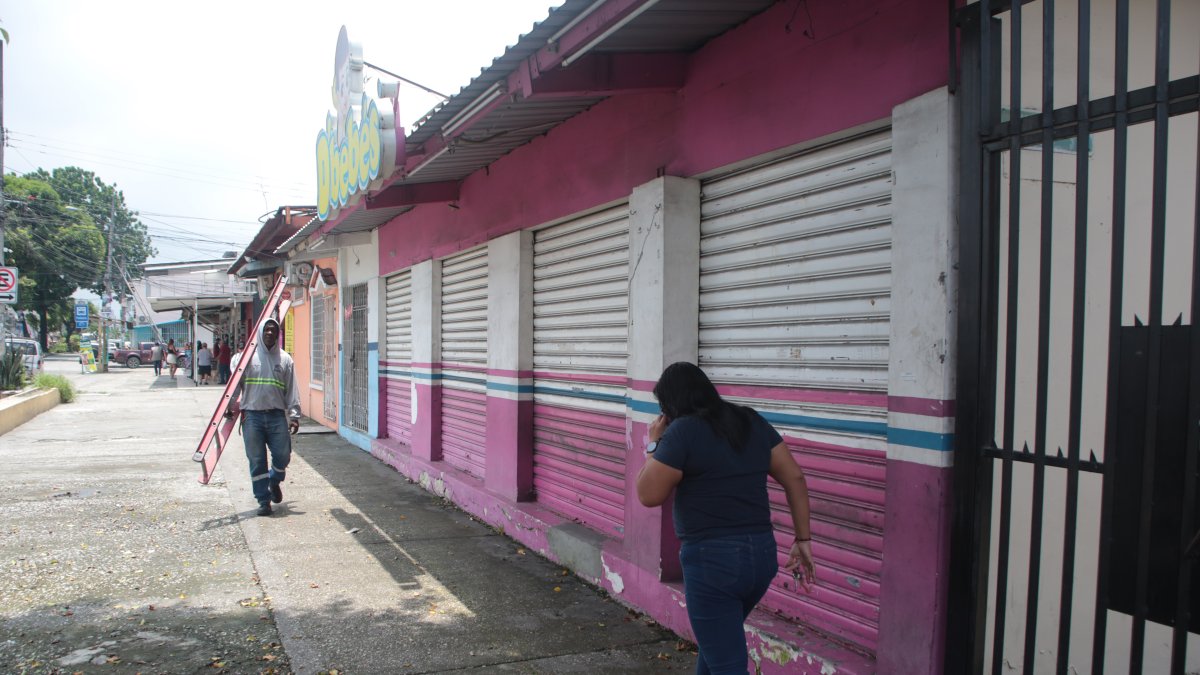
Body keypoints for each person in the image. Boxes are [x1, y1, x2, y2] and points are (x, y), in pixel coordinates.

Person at [636, 362, 815, 675]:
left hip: (713, 563)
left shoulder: (682, 431)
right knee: (718, 649)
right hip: (761, 556)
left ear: (670, 405)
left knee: (726, 664)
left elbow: (648, 494)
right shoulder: (749, 420)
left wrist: (654, 444)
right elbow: (795, 478)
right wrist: (803, 540)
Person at [226, 318, 300, 517]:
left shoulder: (285, 359)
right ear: (259, 332)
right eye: (266, 329)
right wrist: (228, 406)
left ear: (278, 334)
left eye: (273, 330)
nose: (269, 333)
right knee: (257, 460)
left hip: (276, 416)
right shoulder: (245, 358)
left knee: (283, 456)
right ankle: (263, 501)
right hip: (252, 417)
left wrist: (294, 415)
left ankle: (274, 481)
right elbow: (234, 386)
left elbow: (292, 389)